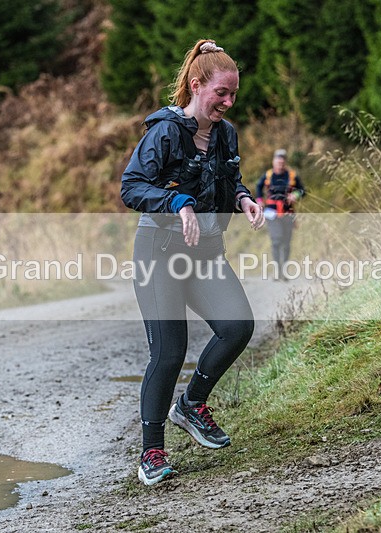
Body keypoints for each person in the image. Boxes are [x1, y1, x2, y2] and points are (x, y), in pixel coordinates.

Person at [121, 39, 264, 486]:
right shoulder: (165, 132)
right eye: (221, 92)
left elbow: (229, 177)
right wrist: (176, 202)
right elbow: (132, 186)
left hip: (204, 253)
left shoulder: (225, 133)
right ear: (197, 85)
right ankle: (152, 453)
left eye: (233, 94)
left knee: (237, 326)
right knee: (168, 353)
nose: (228, 101)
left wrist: (243, 198)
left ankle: (191, 405)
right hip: (159, 251)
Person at [256, 149, 305, 278]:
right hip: (271, 213)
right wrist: (259, 200)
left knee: (286, 243)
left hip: (288, 212)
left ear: (285, 163)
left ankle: (284, 269)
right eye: (278, 161)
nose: (280, 164)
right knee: (276, 240)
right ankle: (277, 270)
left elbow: (302, 190)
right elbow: (258, 187)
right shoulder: (268, 175)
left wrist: (295, 195)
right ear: (274, 162)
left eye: (282, 162)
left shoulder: (292, 175)